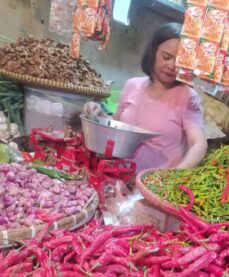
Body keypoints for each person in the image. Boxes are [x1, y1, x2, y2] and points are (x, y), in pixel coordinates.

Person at [84, 23, 207, 171]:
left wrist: (176, 174)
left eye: (180, 62)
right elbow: (117, 128)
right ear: (153, 52)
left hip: (155, 185)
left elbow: (198, 144)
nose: (172, 66)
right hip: (118, 174)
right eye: (166, 57)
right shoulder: (132, 85)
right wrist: (99, 114)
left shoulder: (187, 96)